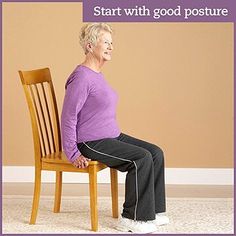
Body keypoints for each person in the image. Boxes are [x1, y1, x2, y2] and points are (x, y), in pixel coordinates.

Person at [61, 22, 169, 233]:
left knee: (155, 153)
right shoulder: (82, 77)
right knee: (141, 158)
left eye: (112, 43)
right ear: (90, 45)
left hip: (111, 135)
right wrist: (72, 152)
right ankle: (132, 218)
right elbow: (68, 117)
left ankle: (152, 212)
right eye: (106, 42)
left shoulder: (96, 74)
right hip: (90, 141)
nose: (111, 47)